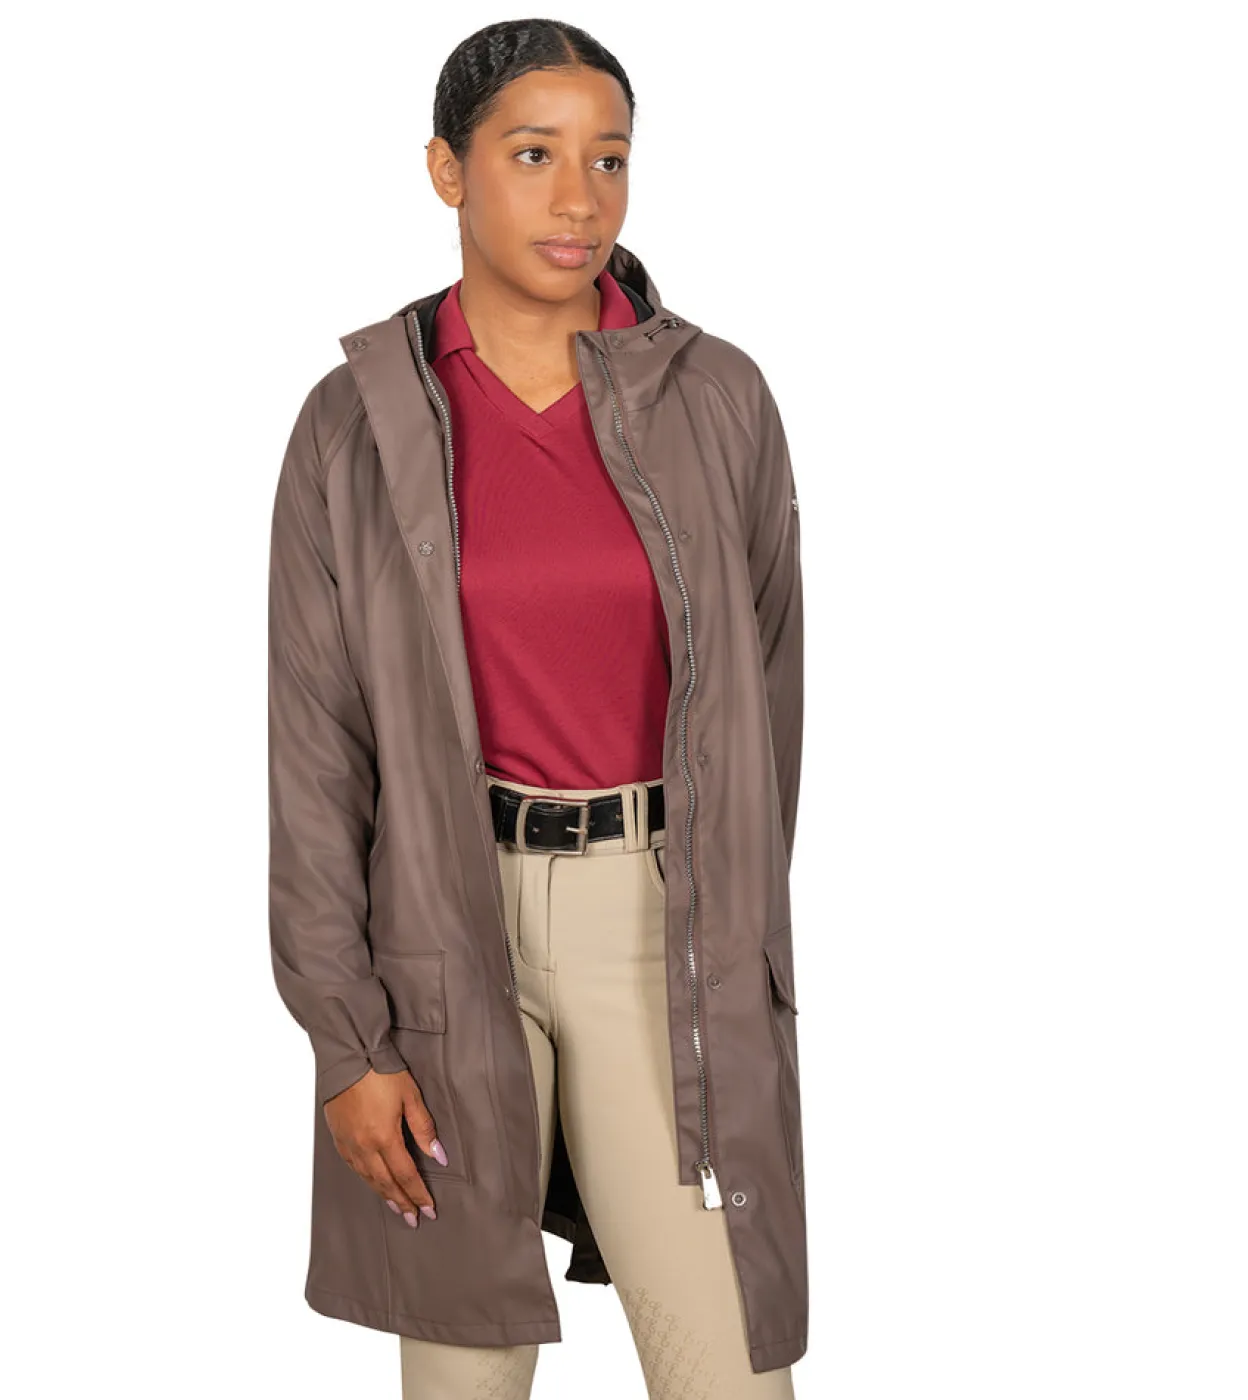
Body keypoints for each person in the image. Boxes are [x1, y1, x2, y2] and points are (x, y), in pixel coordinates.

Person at [268, 18, 807, 1400]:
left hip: (661, 928)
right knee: (465, 1373)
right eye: (533, 156)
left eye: (608, 160)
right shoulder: (355, 424)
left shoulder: (718, 399)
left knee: (727, 1369)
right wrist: (347, 1040)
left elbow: (769, 699)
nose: (579, 199)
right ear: (447, 171)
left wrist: (735, 931)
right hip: (444, 931)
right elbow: (315, 754)